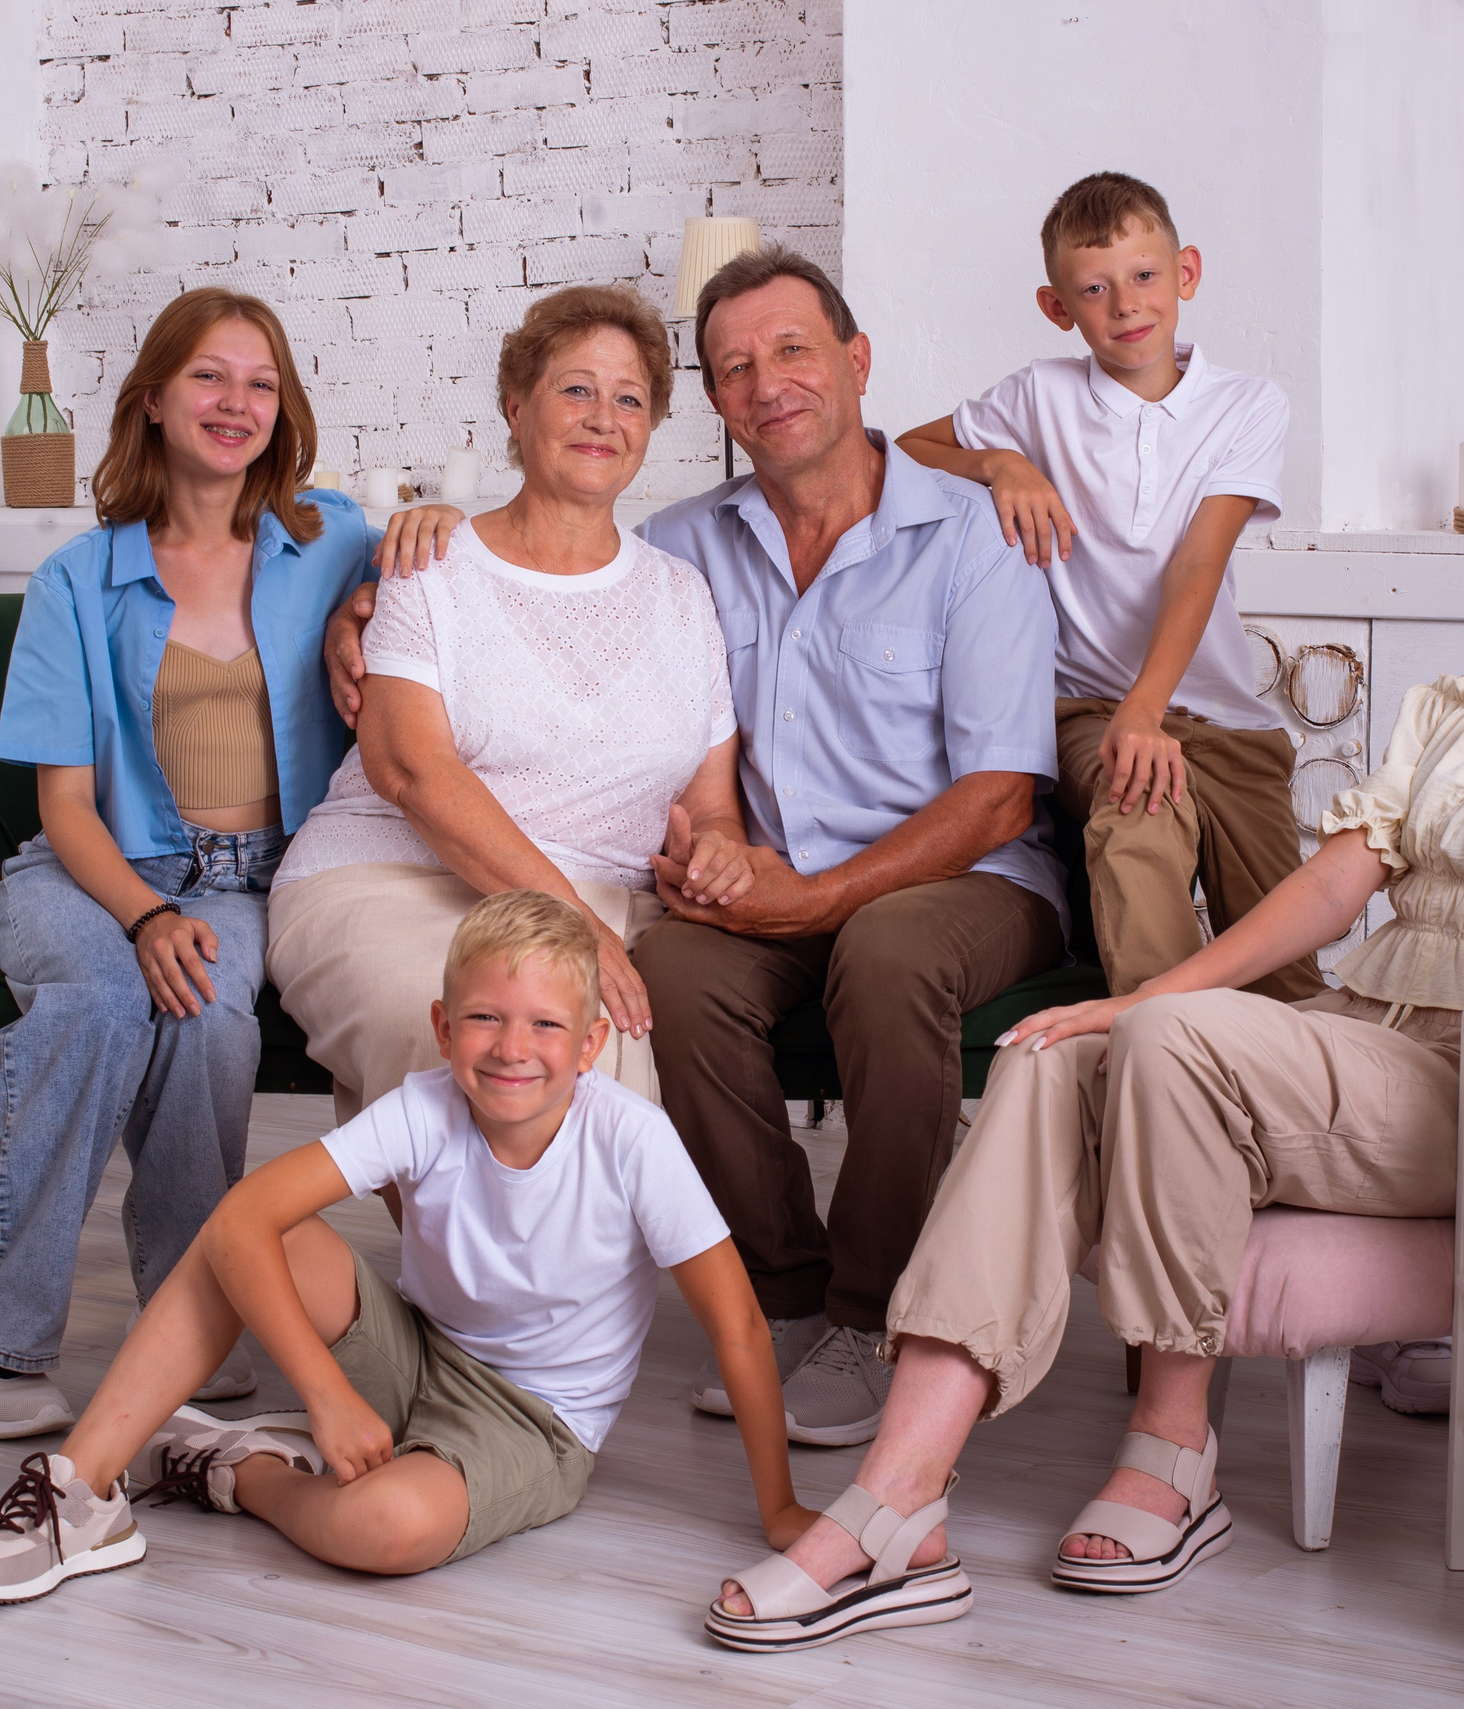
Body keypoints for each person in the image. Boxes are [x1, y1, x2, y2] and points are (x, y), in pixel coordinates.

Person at [701, 398, 1464, 1644]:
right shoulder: (1457, 701)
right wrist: (1136, 996)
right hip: (1380, 1033)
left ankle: (1173, 1445)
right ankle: (896, 1501)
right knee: (1059, 1050)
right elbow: (1332, 885)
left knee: (1165, 1039)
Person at [329, 252, 1067, 1450]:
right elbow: (539, 568)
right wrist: (372, 591)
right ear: (715, 406)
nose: (766, 382)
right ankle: (778, 1296)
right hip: (761, 885)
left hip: (963, 879)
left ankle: (874, 1313)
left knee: (883, 955)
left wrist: (818, 893)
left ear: (855, 361)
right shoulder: (682, 547)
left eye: (791, 351)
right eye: (734, 368)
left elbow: (995, 796)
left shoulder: (974, 534)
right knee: (668, 975)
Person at [0, 891, 810, 1600]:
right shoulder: (427, 1102)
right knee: (253, 1230)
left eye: (545, 1026)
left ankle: (245, 1473)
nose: (512, 1049)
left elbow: (736, 1326)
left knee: (388, 1530)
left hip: (536, 1422)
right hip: (417, 1350)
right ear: (442, 1026)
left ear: (589, 1045)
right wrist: (326, 1394)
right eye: (484, 1018)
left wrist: (779, 1508)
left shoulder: (634, 1139)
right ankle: (78, 1491)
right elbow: (242, 1218)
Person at [0, 288, 403, 1441]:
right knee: (96, 1000)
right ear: (152, 399)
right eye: (208, 376)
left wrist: (427, 528)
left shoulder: (330, 536)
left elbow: (436, 567)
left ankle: (189, 1320)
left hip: (259, 876)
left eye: (259, 381)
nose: (236, 402)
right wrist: (144, 916)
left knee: (208, 1021)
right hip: (93, 869)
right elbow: (63, 806)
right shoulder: (76, 579)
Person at [267, 285, 744, 1122]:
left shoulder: (683, 594)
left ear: (651, 427)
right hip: (387, 881)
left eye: (629, 397)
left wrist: (717, 852)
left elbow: (710, 806)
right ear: (516, 407)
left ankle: (516, 1253)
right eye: (576, 389)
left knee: (585, 1041)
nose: (604, 416)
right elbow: (411, 769)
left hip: (600, 903)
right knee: (502, 1034)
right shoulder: (433, 563)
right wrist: (575, 929)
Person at [896, 171, 1319, 1007]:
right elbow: (903, 450)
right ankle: (1160, 1063)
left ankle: (1280, 1109)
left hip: (1223, 717)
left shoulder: (1246, 405)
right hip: (1087, 708)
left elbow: (1198, 563)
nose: (1125, 304)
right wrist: (998, 462)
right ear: (1059, 308)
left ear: (1186, 274)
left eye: (1145, 276)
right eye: (1094, 288)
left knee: (1284, 959)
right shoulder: (1037, 396)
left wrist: (1148, 708)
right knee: (1137, 812)